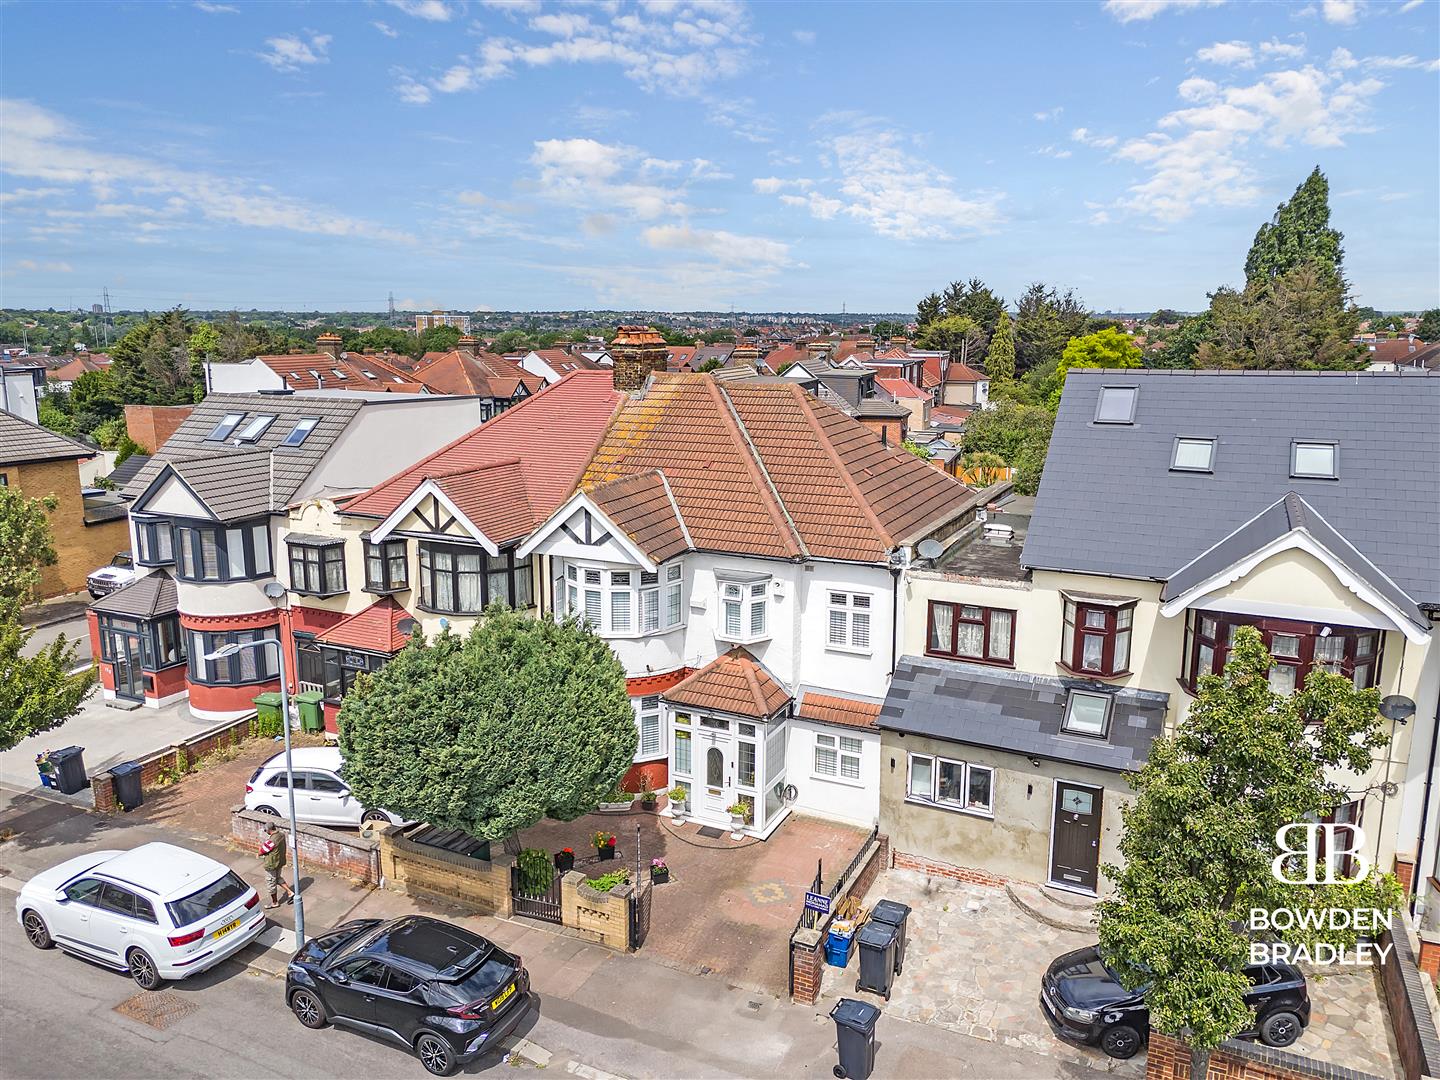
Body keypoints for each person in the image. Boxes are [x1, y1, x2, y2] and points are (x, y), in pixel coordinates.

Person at [260, 822, 292, 908]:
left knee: (271, 882)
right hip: (280, 861)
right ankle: (290, 892)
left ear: (268, 830)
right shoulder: (281, 835)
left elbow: (262, 851)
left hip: (272, 864)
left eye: (265, 830)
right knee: (277, 878)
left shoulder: (271, 840)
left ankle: (275, 902)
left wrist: (259, 854)